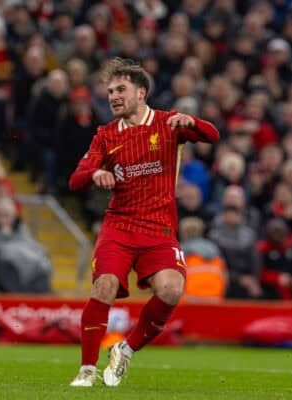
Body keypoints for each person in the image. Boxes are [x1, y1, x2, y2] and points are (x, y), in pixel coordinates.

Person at [68, 58, 219, 387]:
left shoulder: (167, 124)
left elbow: (212, 135)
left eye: (120, 89)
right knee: (104, 285)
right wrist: (96, 172)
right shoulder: (106, 136)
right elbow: (75, 179)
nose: (113, 96)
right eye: (109, 91)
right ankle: (87, 370)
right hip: (119, 227)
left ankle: (126, 349)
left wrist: (191, 120)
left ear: (141, 93)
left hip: (159, 230)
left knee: (171, 290)